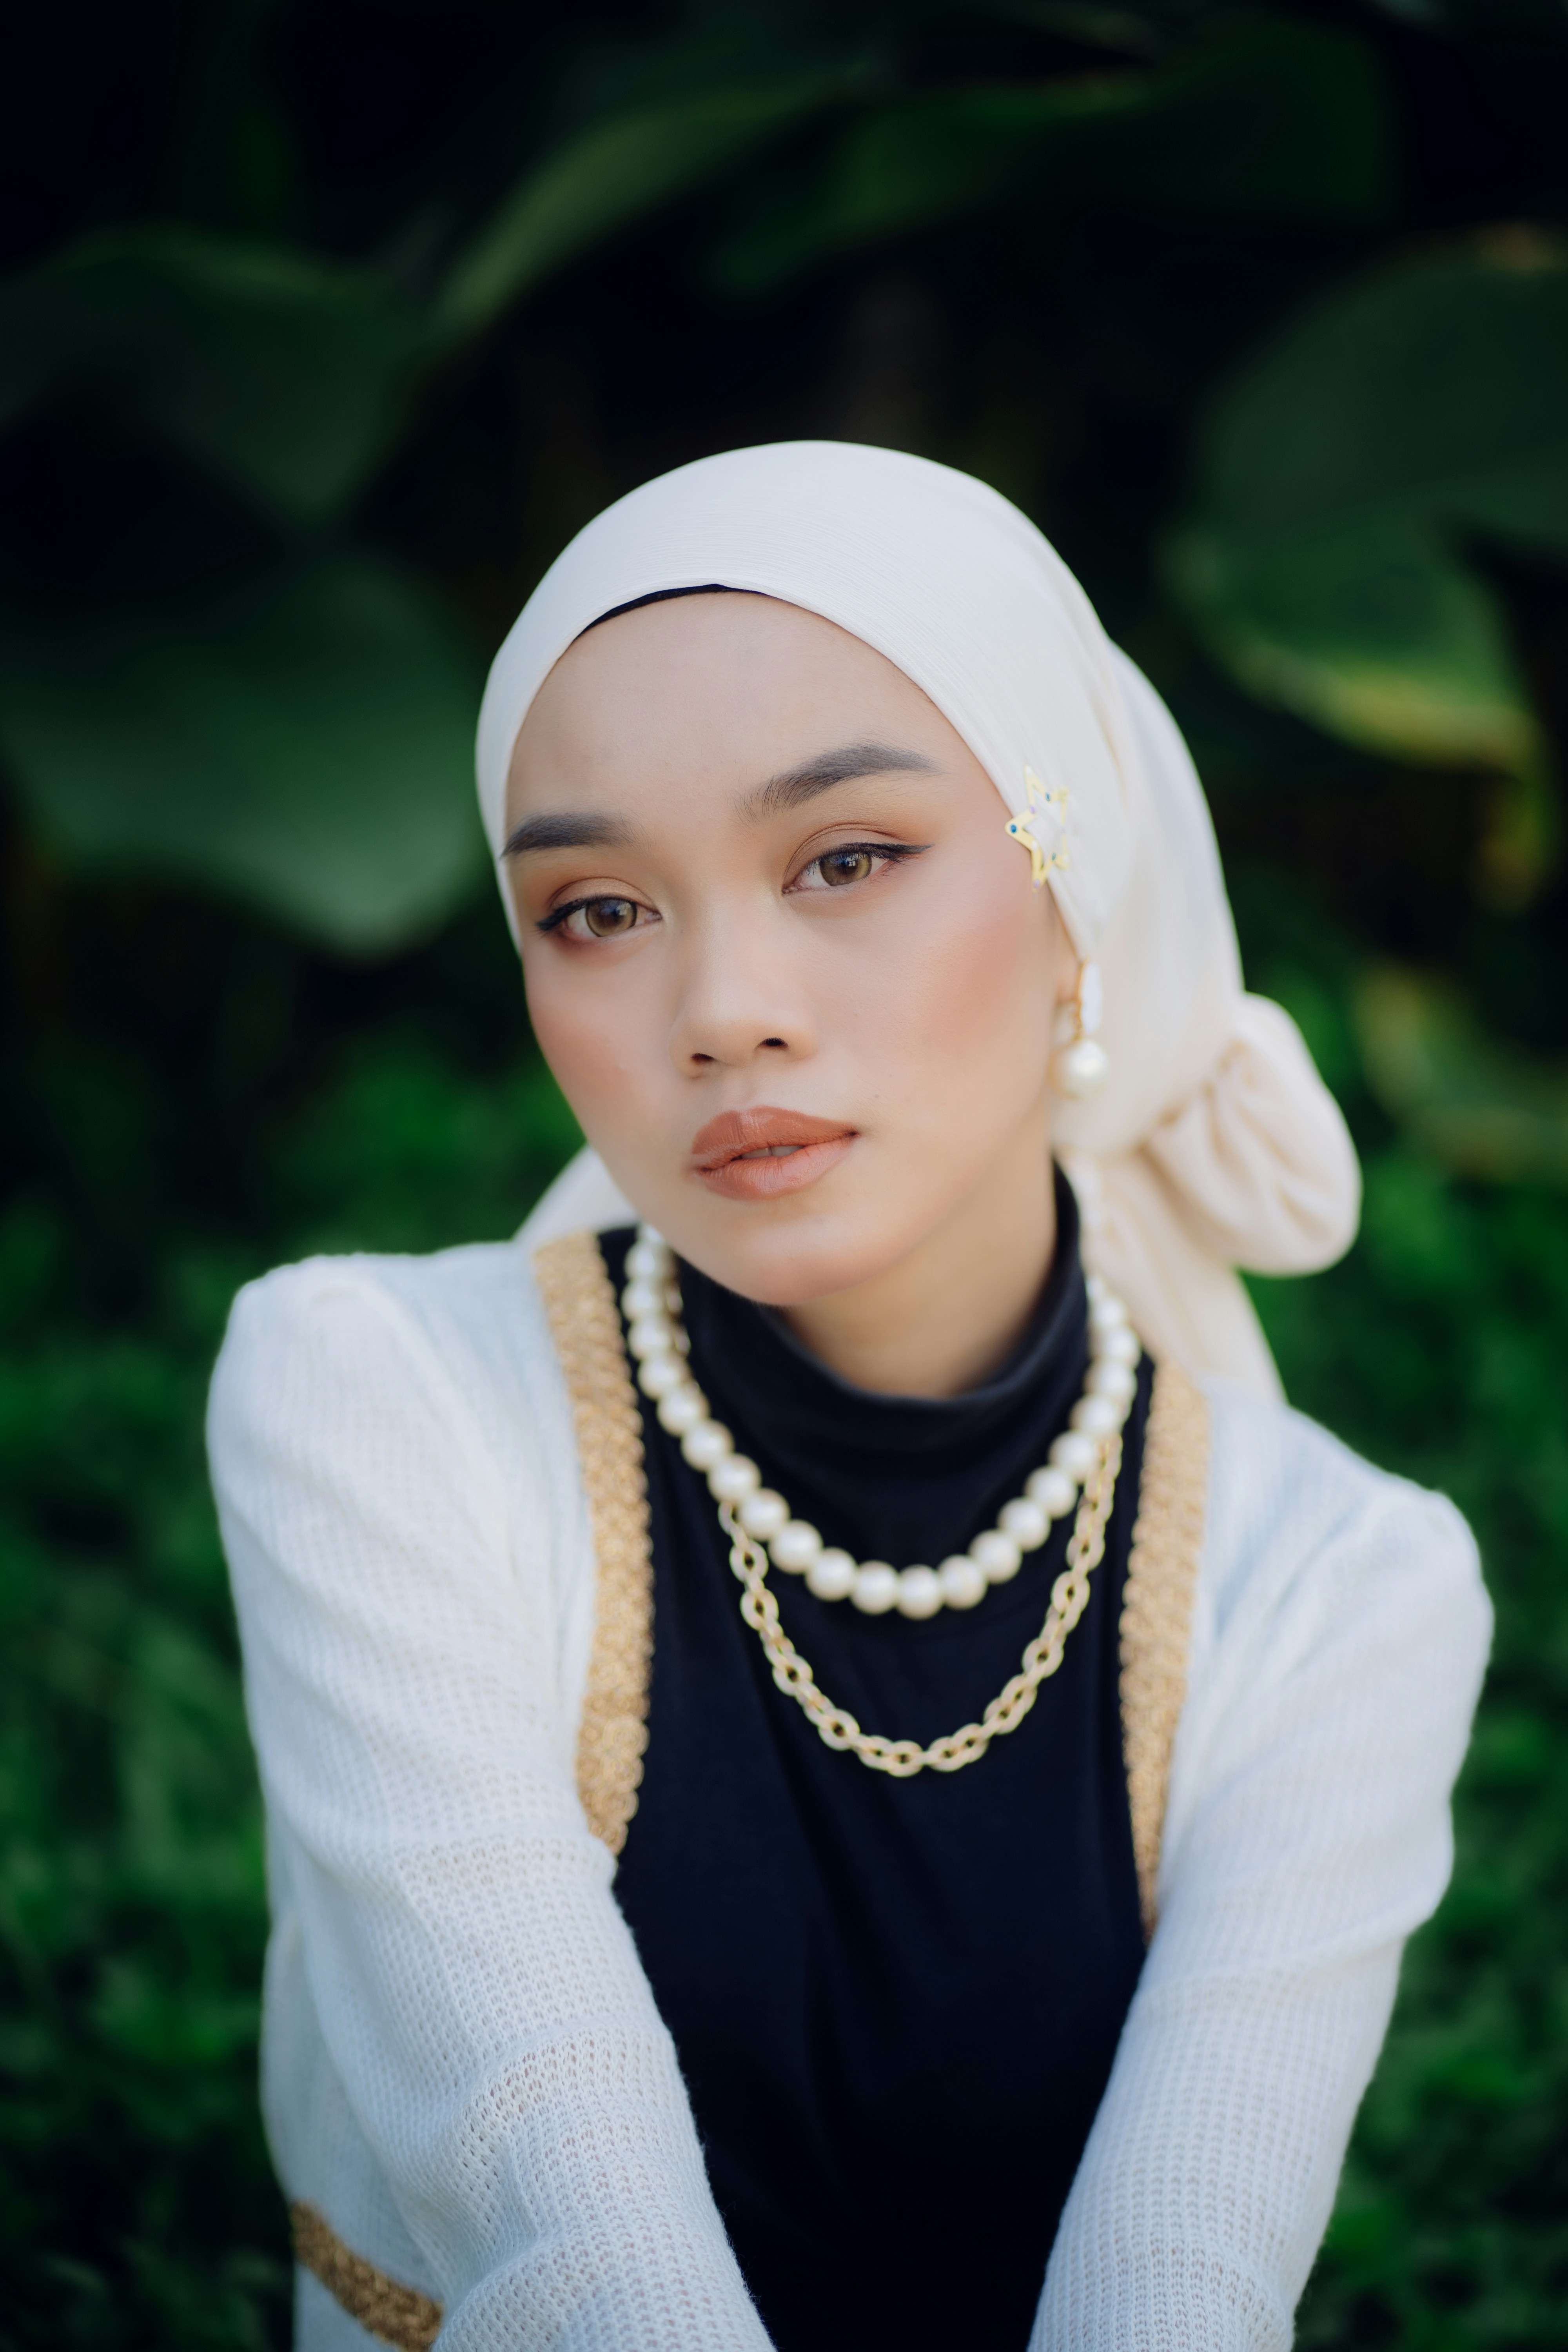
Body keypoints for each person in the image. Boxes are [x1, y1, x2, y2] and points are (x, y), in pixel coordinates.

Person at [208, 442, 1490, 2352]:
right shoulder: (371, 1402)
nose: (723, 1005)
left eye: (847, 859)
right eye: (595, 909)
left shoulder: (1346, 1592)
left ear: (1078, 896)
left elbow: (1180, 2295)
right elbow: (568, 2235)